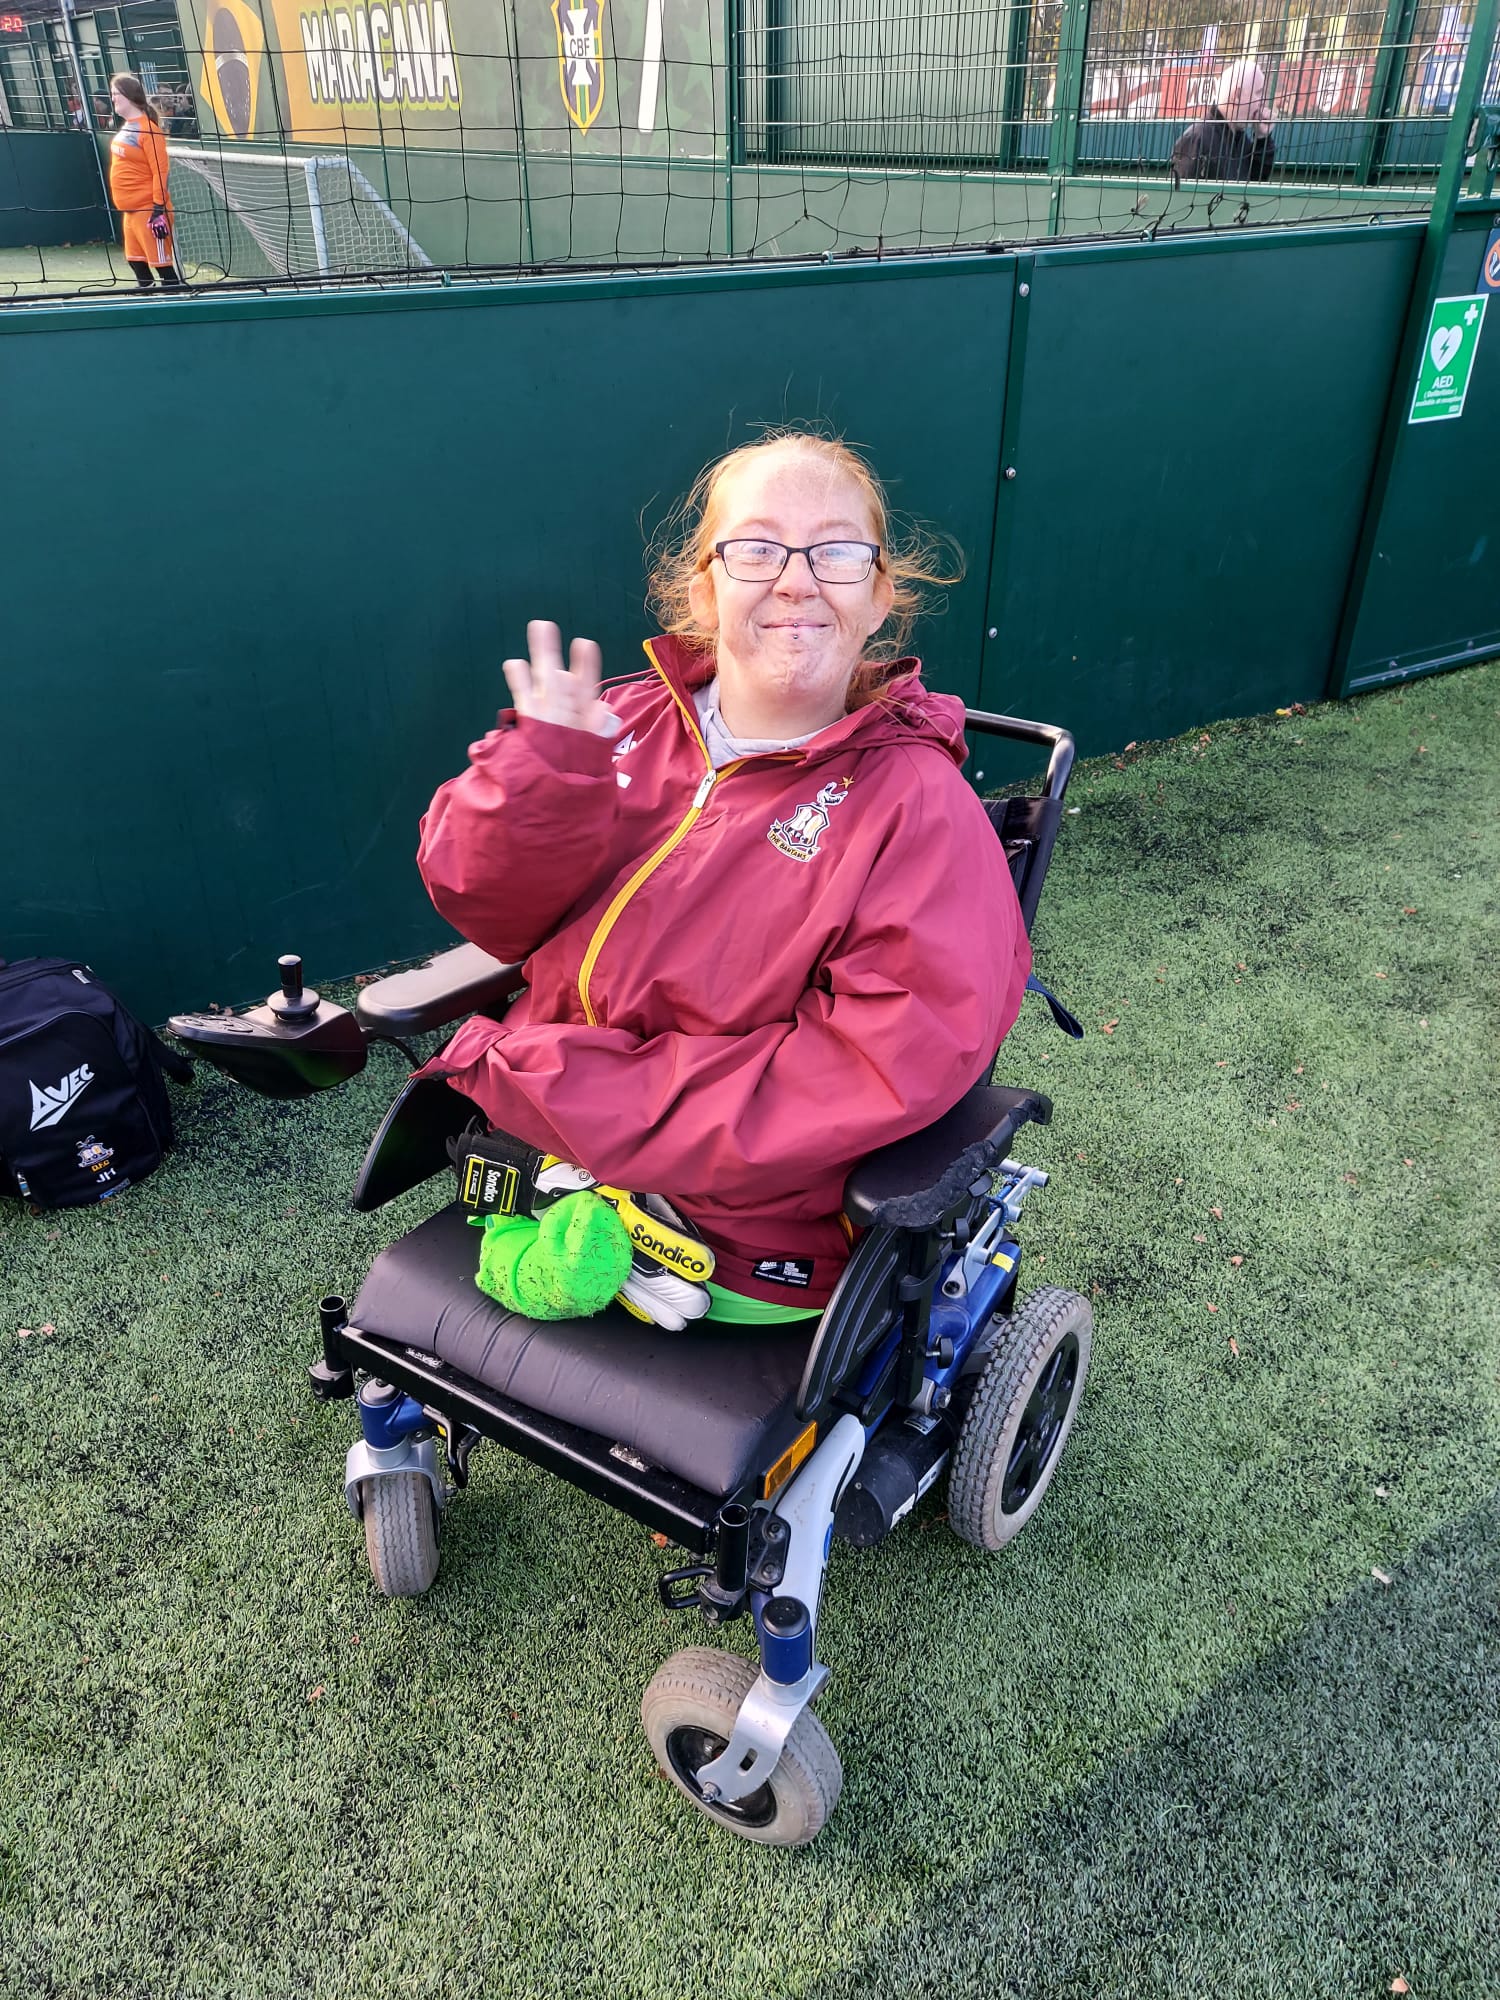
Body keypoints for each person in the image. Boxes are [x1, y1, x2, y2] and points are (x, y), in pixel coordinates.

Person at [416, 433, 1032, 1326]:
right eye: (757, 548)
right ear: (704, 589)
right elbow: (481, 904)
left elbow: (869, 1071)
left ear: (879, 596)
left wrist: (574, 1089)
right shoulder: (614, 720)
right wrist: (540, 778)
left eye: (836, 551)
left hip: (736, 1237)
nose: (796, 580)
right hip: (539, 1145)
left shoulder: (919, 808)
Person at [108, 72, 181, 290]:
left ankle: (176, 304)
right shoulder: (128, 126)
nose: (112, 98)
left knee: (163, 268)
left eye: (116, 93)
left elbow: (161, 171)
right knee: (136, 263)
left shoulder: (149, 130)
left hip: (148, 211)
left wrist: (158, 208)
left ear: (130, 96)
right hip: (130, 211)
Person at [1171, 59, 1275, 185]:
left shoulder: (1239, 139)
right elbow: (1180, 194)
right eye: (1258, 93)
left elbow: (1255, 183)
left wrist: (1262, 139)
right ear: (1237, 96)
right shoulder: (1197, 139)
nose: (1262, 101)